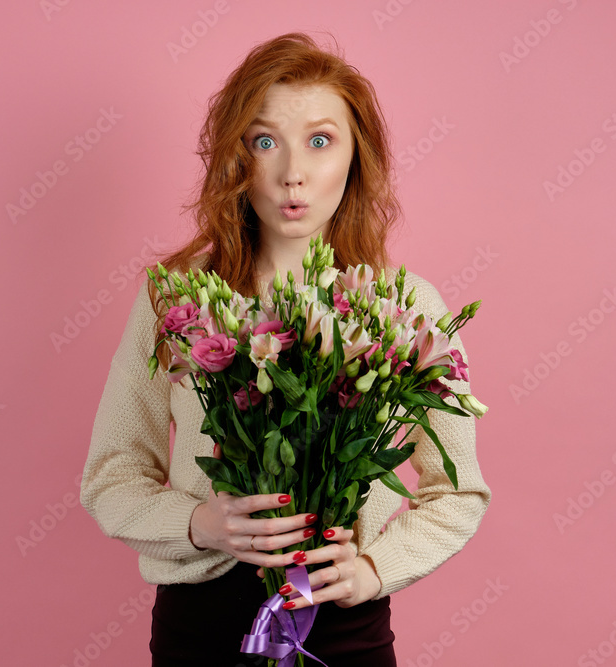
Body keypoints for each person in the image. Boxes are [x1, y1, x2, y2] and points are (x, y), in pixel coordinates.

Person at [79, 32, 491, 666]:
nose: (292, 171)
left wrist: (376, 569)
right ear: (233, 157)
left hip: (343, 629)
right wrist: (198, 524)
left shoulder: (409, 309)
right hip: (201, 627)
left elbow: (459, 492)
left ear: (358, 157)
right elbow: (111, 477)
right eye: (264, 141)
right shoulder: (178, 301)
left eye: (320, 141)